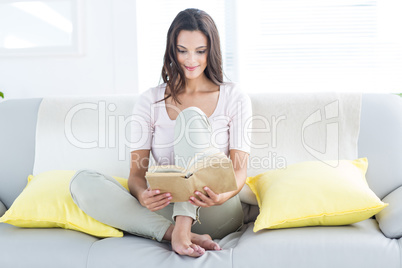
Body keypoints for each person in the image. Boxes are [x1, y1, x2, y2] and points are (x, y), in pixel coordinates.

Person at [69, 8, 252, 258]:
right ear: (172, 50)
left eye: (200, 51)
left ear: (212, 50)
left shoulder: (234, 97)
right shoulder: (150, 101)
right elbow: (136, 174)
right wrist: (143, 195)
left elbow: (240, 170)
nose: (191, 60)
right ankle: (176, 233)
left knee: (190, 119)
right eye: (182, 50)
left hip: (217, 210)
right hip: (166, 211)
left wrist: (222, 196)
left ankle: (183, 227)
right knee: (82, 182)